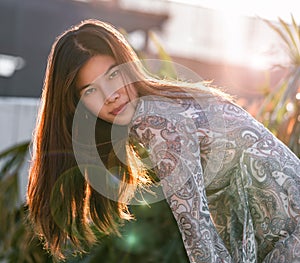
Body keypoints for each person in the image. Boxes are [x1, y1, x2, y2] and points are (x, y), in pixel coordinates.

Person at [27, 19, 300, 263]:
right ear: (77, 105)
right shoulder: (164, 104)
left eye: (113, 75)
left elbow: (197, 228)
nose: (111, 95)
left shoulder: (160, 122)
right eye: (91, 90)